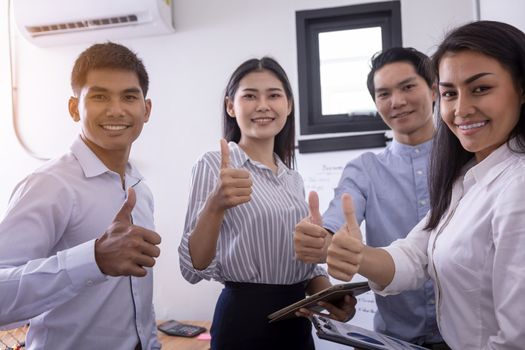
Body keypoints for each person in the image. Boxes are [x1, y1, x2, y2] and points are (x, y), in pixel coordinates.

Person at [327, 20, 525, 349]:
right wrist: (355, 254)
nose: (461, 109)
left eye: (480, 89)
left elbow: (516, 337)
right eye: (451, 93)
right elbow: (416, 255)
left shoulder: (516, 186)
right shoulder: (466, 178)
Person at [178, 57, 355, 350]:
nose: (263, 105)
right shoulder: (214, 165)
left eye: (273, 95)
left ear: (288, 105)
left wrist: (334, 300)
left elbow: (306, 270)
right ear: (230, 106)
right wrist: (215, 205)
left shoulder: (292, 179)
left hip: (297, 324)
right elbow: (193, 267)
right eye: (249, 95)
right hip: (243, 323)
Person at [0, 42, 161, 349]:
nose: (116, 109)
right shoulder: (49, 185)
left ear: (146, 109)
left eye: (129, 96)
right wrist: (93, 259)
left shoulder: (140, 188)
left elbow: (136, 303)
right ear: (75, 108)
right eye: (100, 96)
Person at [294, 47, 447, 348]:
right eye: (384, 94)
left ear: (433, 90)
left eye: (407, 87)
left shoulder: (467, 159)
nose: (397, 101)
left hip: (468, 338)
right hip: (393, 340)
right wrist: (320, 239)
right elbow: (335, 222)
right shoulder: (364, 169)